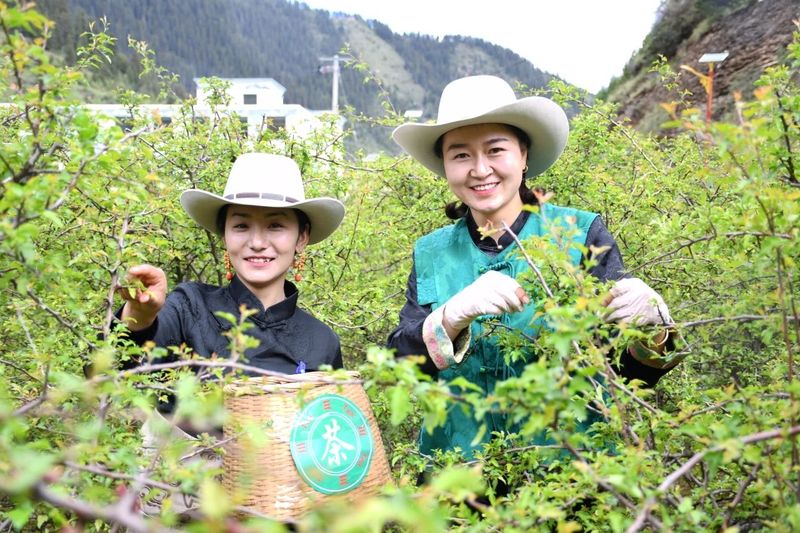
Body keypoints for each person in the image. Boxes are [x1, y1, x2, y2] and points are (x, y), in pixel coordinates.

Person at [388, 75, 684, 459]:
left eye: (496, 150)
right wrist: (450, 318)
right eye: (460, 155)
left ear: (523, 156)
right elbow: (402, 370)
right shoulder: (430, 252)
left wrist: (654, 328)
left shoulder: (578, 234)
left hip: (570, 478)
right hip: (459, 485)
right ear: (446, 166)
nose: (480, 169)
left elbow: (627, 373)